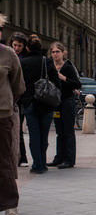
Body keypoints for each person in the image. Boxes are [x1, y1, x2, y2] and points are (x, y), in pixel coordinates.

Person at [20, 35, 61, 174]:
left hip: (30, 102)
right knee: (44, 134)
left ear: (27, 48)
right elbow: (57, 82)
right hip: (46, 102)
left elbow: (19, 84)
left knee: (34, 135)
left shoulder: (23, 62)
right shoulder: (47, 62)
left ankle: (37, 164)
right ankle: (42, 163)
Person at [0, 14, 26, 215]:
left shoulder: (8, 55)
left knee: (4, 159)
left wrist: (7, 103)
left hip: (2, 115)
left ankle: (10, 206)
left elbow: (18, 86)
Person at [46, 42, 81, 169]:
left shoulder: (68, 67)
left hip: (67, 101)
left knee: (68, 131)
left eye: (57, 52)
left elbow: (77, 84)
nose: (55, 54)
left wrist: (63, 78)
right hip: (55, 102)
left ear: (63, 53)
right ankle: (58, 157)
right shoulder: (49, 66)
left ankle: (69, 159)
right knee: (59, 131)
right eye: (53, 52)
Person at [7, 32, 28, 167]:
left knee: (18, 128)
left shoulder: (23, 59)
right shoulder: (7, 55)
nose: (17, 48)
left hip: (19, 98)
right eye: (15, 45)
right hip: (8, 97)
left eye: (20, 45)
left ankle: (22, 157)